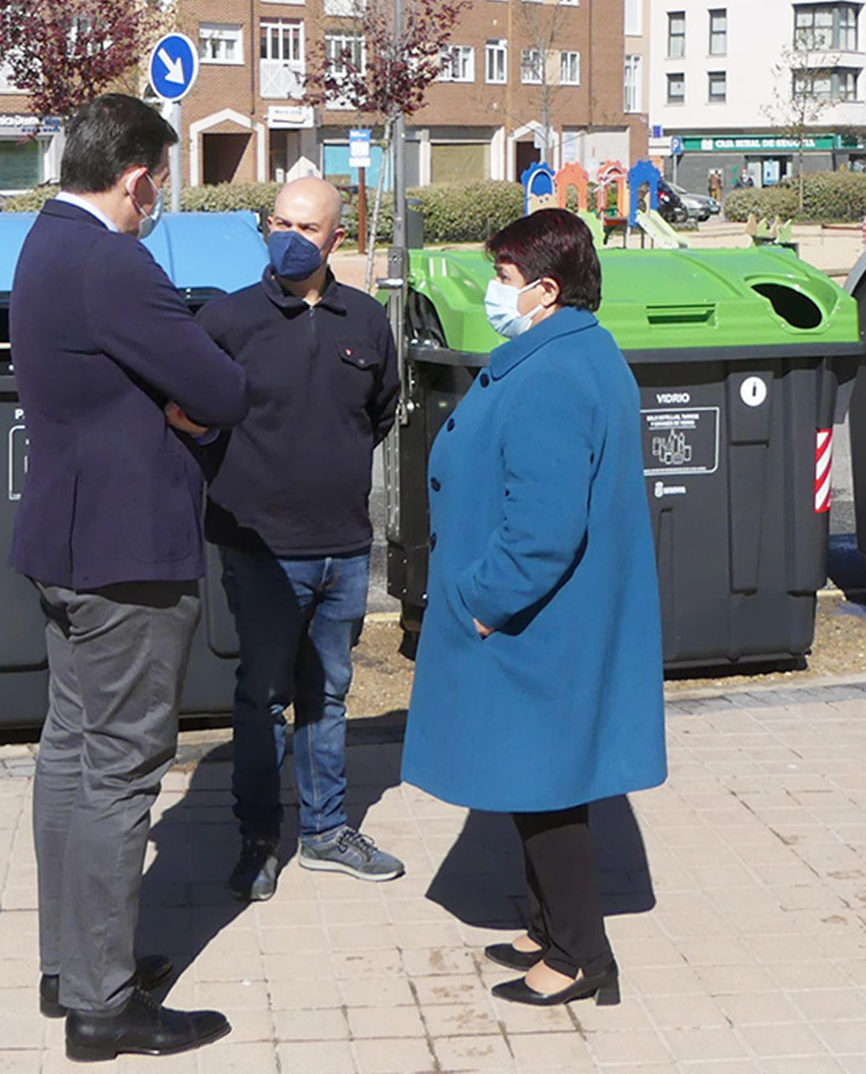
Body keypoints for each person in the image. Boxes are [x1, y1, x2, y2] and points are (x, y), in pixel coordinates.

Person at [9, 93, 248, 1062]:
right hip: (127, 558)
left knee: (69, 751)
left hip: (67, 546)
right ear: (139, 175)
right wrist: (186, 401)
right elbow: (223, 388)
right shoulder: (115, 261)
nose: (160, 203)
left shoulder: (43, 244)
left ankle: (72, 963)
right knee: (120, 771)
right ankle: (103, 1006)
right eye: (161, 184)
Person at [400, 208, 667, 1009]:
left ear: (546, 290)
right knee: (533, 780)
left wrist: (481, 602)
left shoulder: (554, 372)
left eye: (506, 278)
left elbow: (545, 525)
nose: (494, 291)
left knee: (546, 788)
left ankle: (582, 953)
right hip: (546, 619)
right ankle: (551, 927)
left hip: (533, 620)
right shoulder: (567, 348)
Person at [194, 178, 403, 903]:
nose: (288, 236)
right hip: (258, 547)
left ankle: (325, 831)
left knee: (329, 694)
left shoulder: (369, 321)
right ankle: (258, 838)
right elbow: (193, 417)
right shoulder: (226, 321)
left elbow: (379, 413)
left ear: (335, 240)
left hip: (342, 546)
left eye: (305, 227)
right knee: (262, 695)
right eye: (278, 221)